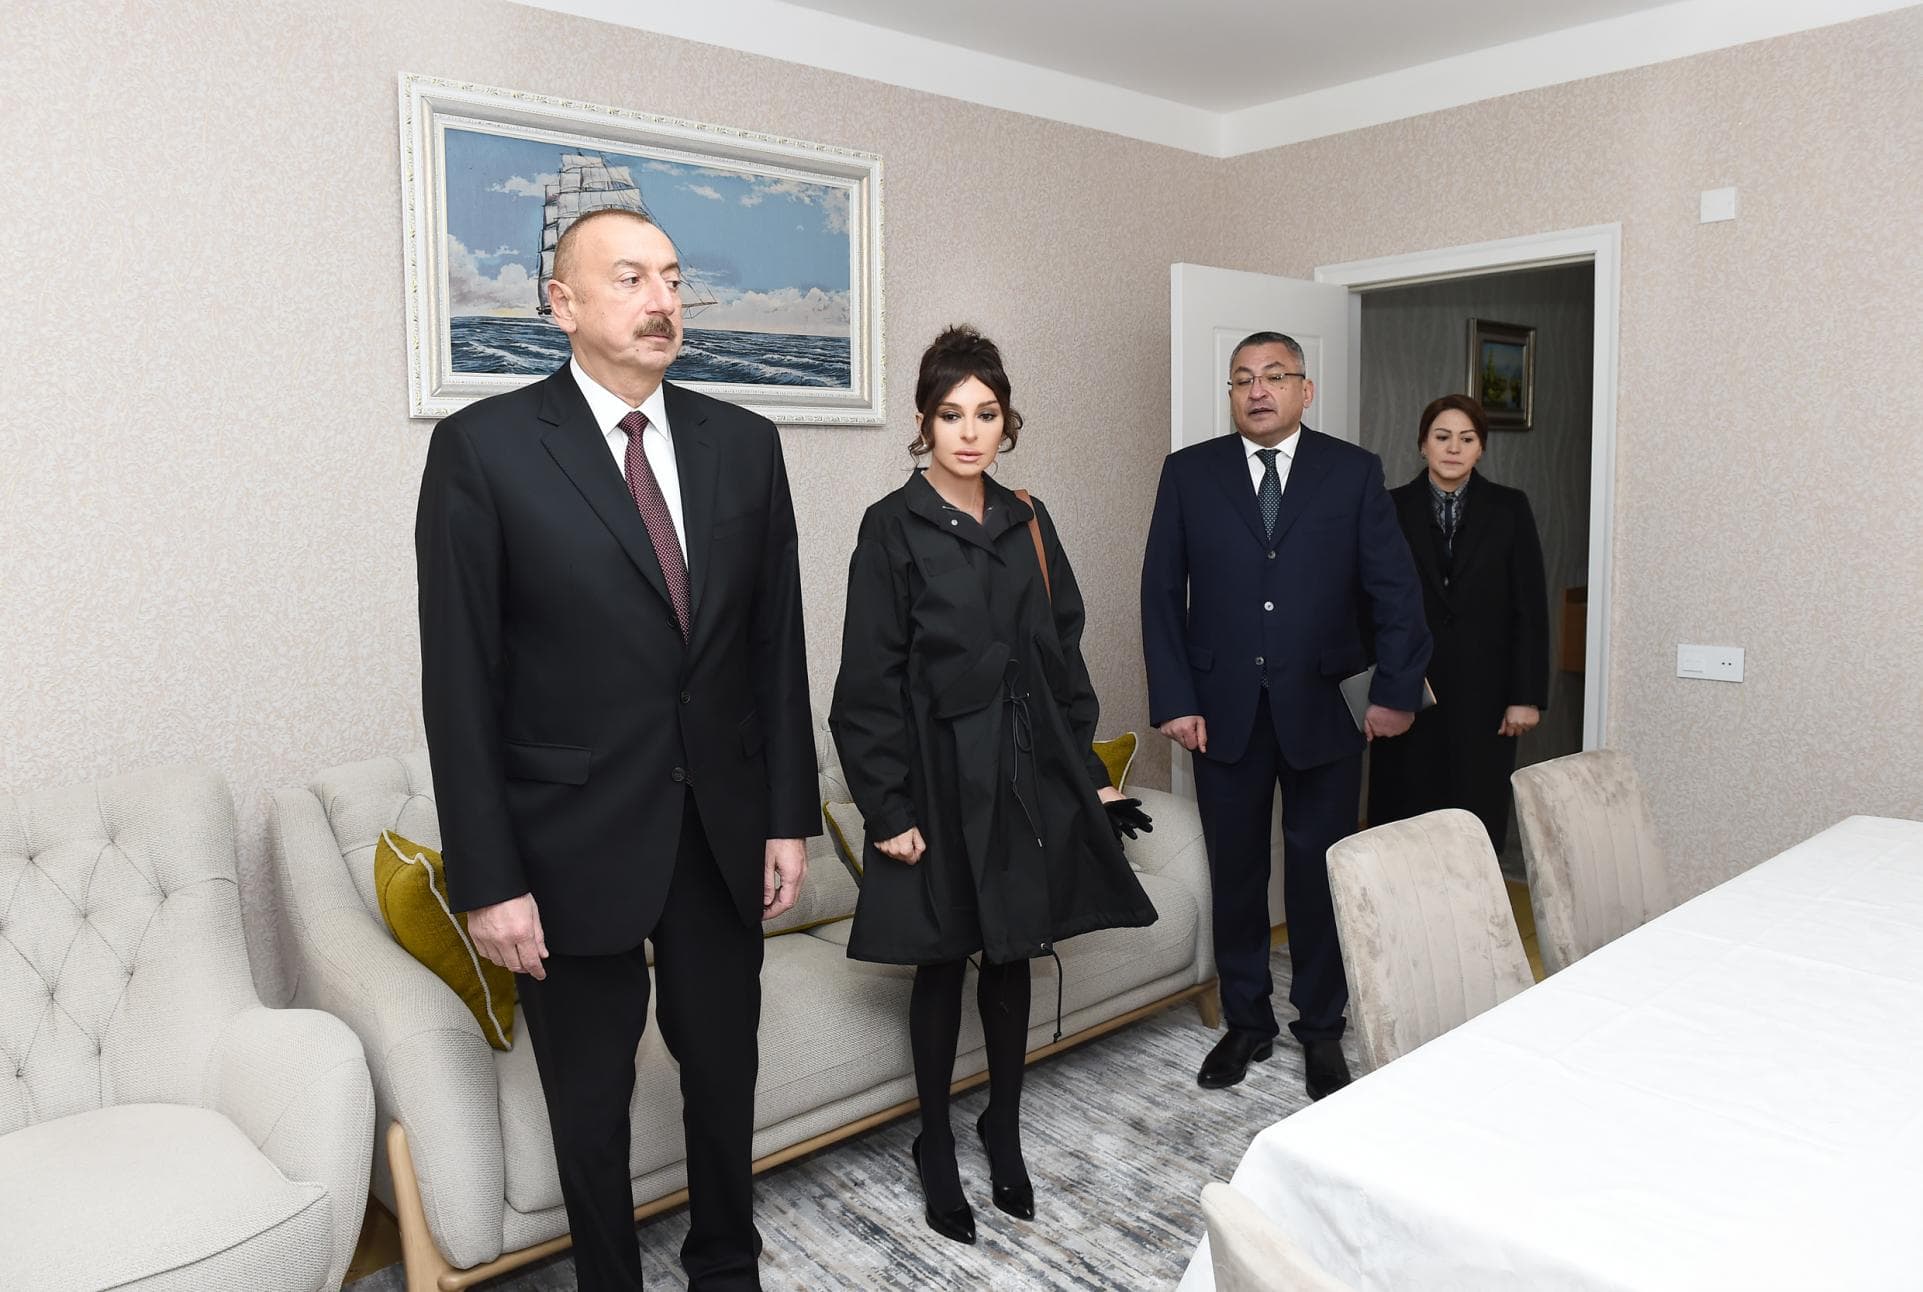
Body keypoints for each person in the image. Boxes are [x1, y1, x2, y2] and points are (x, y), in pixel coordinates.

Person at [414, 207, 816, 1291]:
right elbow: (459, 686)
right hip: (566, 839)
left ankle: (727, 1264)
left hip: (719, 828)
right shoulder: (484, 450)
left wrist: (787, 814)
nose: (662, 300)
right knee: (589, 1100)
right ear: (562, 303)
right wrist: (488, 879)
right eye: (631, 277)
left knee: (724, 1068)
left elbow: (774, 645)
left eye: (674, 278)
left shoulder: (744, 444)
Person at [829, 325, 1157, 1246]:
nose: (969, 432)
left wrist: (1086, 775)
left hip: (1024, 770)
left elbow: (1062, 658)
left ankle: (999, 1126)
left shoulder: (1028, 519)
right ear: (923, 421)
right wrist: (886, 808)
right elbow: (866, 683)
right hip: (935, 778)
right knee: (941, 962)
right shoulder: (891, 527)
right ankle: (934, 1139)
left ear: (1006, 420)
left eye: (985, 414)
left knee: (1012, 954)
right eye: (950, 415)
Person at [1140, 331, 1431, 1099]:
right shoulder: (1189, 473)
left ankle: (1321, 1027)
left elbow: (1395, 592)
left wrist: (1394, 693)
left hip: (1325, 711)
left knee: (1316, 874)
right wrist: (1174, 700)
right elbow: (1161, 594)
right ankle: (1246, 1021)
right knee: (1236, 873)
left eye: (1273, 376)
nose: (1257, 390)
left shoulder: (1351, 472)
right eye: (1242, 379)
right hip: (1220, 713)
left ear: (1305, 390)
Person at [1367, 394, 1549, 851]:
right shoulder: (1389, 507)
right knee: (1404, 824)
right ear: (1422, 444)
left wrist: (1525, 696)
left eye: (1466, 439)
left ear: (1480, 447)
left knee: (1475, 821)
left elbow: (1529, 608)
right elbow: (1367, 603)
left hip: (1486, 697)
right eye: (1442, 437)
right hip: (1409, 691)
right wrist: (1375, 691)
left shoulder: (1509, 508)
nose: (1453, 448)